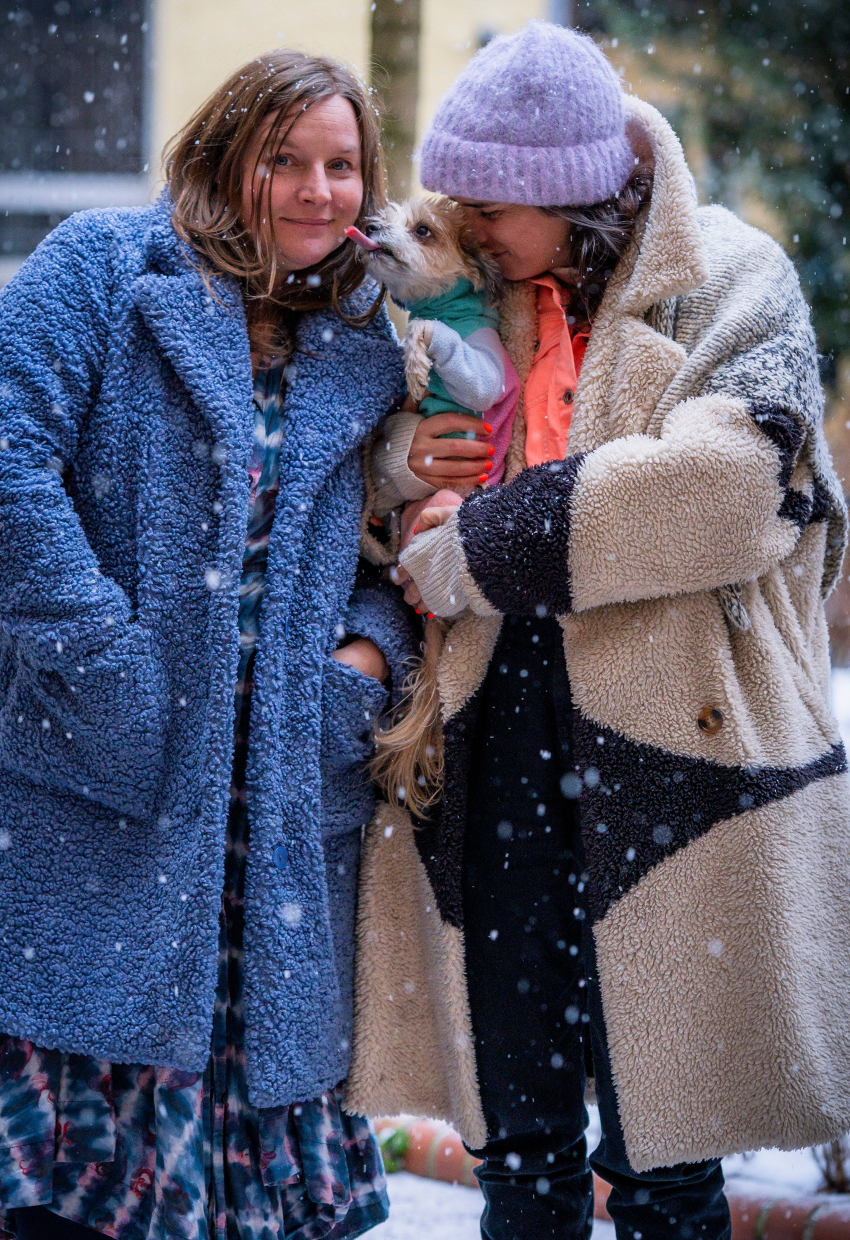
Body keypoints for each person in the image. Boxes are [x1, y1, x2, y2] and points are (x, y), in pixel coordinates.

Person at [346, 21, 850, 1240]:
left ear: (567, 194)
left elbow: (728, 489)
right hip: (490, 753)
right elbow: (370, 483)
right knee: (519, 1148)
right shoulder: (471, 295)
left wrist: (485, 544)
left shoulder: (735, 278)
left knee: (669, 1153)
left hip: (678, 762)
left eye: (487, 205)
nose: (459, 224)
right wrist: (398, 469)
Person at [0, 50, 415, 1240]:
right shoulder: (105, 268)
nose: (319, 190)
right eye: (286, 157)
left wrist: (362, 669)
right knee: (64, 1171)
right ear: (227, 155)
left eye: (343, 164)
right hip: (92, 778)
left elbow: (408, 548)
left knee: (239, 1179)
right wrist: (102, 656)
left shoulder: (376, 339)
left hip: (267, 817)